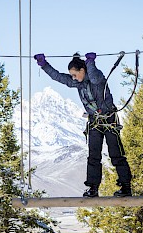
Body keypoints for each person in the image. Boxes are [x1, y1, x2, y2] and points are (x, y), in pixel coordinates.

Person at [34, 52, 132, 197]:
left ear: (82, 70)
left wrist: (90, 62)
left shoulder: (97, 77)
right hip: (94, 122)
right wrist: (44, 65)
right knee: (93, 157)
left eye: (75, 74)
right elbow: (58, 77)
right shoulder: (77, 83)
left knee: (116, 155)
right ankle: (93, 188)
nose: (73, 78)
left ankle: (125, 187)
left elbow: (92, 76)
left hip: (109, 120)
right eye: (72, 76)